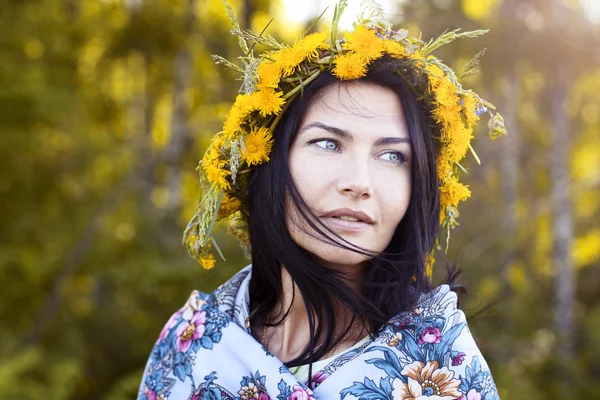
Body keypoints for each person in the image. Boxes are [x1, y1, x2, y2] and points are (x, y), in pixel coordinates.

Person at [138, 2, 506, 399]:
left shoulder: (446, 374)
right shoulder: (191, 344)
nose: (358, 183)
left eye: (392, 156)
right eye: (328, 143)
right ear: (269, 164)